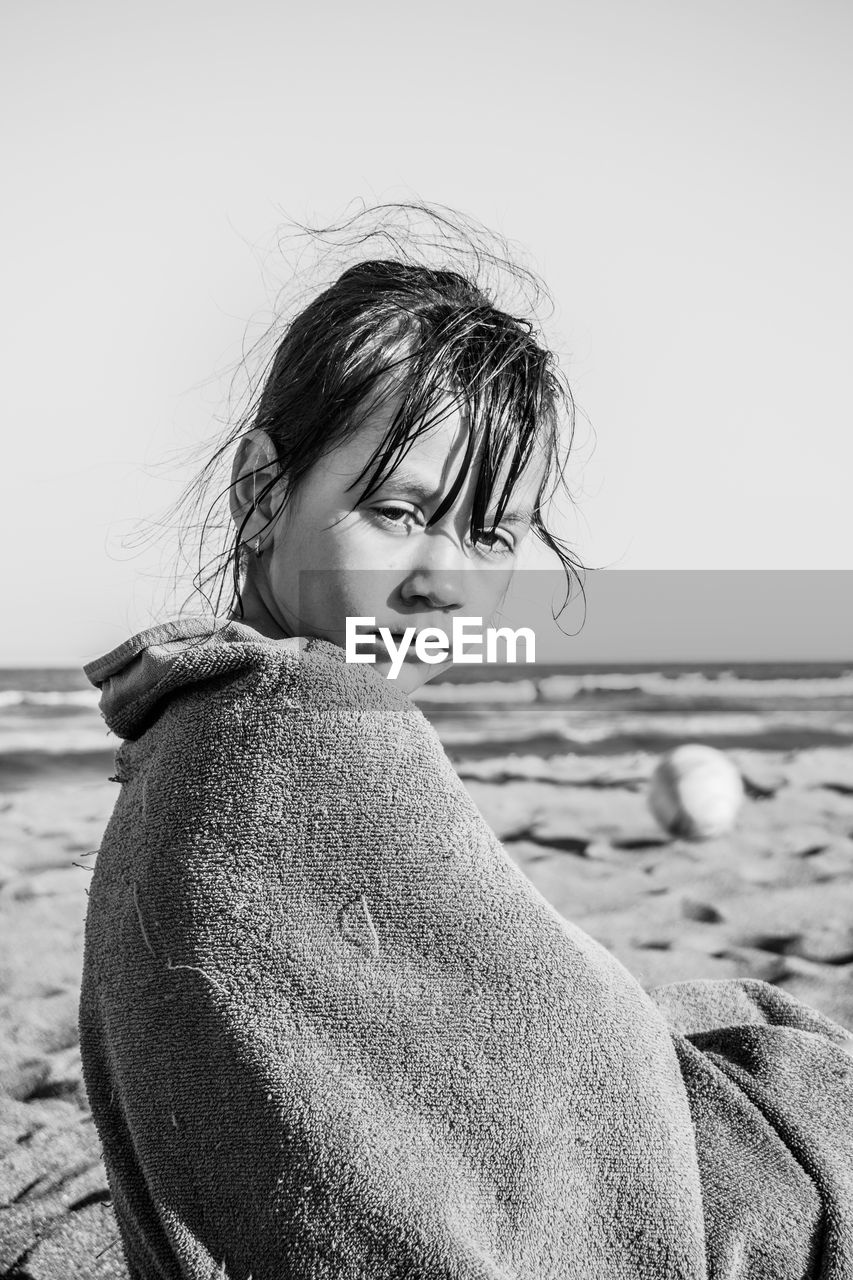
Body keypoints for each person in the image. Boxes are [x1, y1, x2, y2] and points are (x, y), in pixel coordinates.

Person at [80, 206, 853, 1280]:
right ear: (263, 489)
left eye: (489, 533)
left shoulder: (190, 718)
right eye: (398, 510)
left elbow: (508, 1025)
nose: (445, 579)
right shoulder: (307, 738)